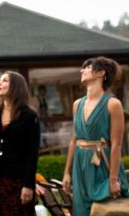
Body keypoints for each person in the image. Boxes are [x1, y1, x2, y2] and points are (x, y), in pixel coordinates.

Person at [62, 57, 129, 216]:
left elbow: (116, 145)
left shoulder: (113, 104)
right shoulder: (77, 104)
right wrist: (66, 172)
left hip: (102, 166)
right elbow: (74, 140)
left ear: (100, 73)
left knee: (103, 210)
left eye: (87, 68)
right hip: (80, 165)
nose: (82, 70)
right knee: (80, 210)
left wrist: (113, 179)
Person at [0, 71, 40, 216]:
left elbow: (33, 153)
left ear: (16, 86)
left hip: (18, 181)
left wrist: (28, 185)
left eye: (4, 81)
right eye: (0, 80)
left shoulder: (29, 116)